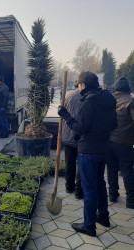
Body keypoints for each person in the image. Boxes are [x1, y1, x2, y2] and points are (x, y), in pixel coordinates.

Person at [58, 71, 117, 237]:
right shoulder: (110, 100)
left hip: (88, 151)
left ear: (83, 86)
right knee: (99, 183)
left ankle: (89, 225)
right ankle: (103, 216)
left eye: (80, 85)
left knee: (90, 188)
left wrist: (66, 116)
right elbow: (114, 124)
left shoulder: (89, 103)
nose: (79, 87)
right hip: (103, 148)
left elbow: (80, 128)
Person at [106, 77, 134, 209]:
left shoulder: (108, 100)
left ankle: (112, 194)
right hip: (125, 141)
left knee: (111, 168)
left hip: (108, 141)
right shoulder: (131, 101)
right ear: (128, 89)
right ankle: (131, 200)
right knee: (127, 170)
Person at [62, 81, 83, 199]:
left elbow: (62, 113)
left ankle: (69, 187)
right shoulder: (86, 97)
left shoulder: (68, 96)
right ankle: (79, 190)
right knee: (80, 164)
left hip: (68, 134)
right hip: (81, 135)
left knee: (69, 163)